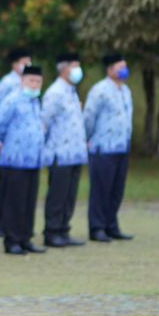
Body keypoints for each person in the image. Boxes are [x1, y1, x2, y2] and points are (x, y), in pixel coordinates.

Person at [83, 53, 135, 243]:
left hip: (121, 147)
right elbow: (89, 117)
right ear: (110, 69)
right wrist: (88, 138)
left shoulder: (125, 90)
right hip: (102, 148)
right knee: (101, 189)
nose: (124, 70)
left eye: (125, 66)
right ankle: (97, 227)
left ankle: (111, 225)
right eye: (120, 67)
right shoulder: (100, 90)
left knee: (116, 190)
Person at [0, 63, 46, 254]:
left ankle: (25, 238)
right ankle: (12, 240)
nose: (35, 85)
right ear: (23, 81)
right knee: (14, 202)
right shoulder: (12, 100)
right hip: (15, 159)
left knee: (28, 201)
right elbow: (0, 125)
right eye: (31, 80)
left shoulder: (35, 102)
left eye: (38, 81)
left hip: (32, 159)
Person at [41, 55, 87, 247]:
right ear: (64, 69)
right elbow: (45, 122)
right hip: (60, 152)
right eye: (74, 66)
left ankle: (63, 229)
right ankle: (52, 231)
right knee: (58, 195)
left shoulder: (71, 91)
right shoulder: (55, 92)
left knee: (69, 195)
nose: (78, 69)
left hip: (75, 153)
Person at [0, 48, 31, 239]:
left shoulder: (28, 84)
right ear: (15, 64)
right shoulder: (8, 83)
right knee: (6, 186)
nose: (28, 64)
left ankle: (7, 223)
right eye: (24, 61)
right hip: (7, 142)